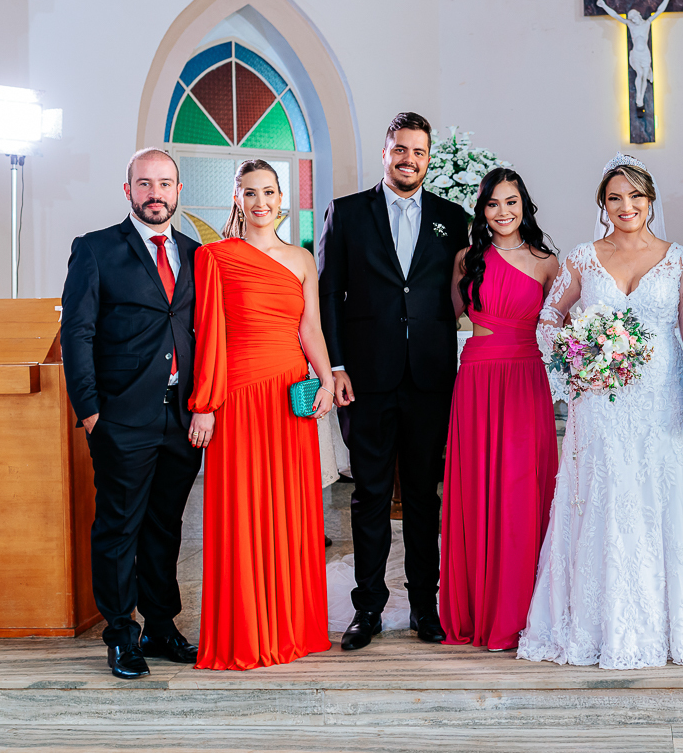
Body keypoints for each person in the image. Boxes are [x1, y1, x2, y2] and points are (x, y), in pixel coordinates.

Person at [517, 154, 683, 669]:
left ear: (650, 200)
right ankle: (597, 621)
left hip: (661, 398)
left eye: (635, 195)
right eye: (615, 197)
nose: (626, 206)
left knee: (662, 496)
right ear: (603, 204)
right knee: (604, 498)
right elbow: (548, 320)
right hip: (601, 402)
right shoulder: (581, 259)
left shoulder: (678, 260)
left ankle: (670, 619)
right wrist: (576, 360)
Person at [319, 112, 470, 650]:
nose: (409, 160)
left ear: (429, 158)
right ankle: (368, 607)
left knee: (426, 499)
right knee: (370, 496)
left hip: (430, 377)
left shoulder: (452, 218)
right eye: (400, 150)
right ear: (385, 153)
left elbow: (461, 294)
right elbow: (326, 295)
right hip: (366, 378)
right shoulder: (349, 212)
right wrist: (335, 366)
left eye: (419, 152)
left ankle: (426, 607)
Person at [60, 148, 203, 679]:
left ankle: (162, 626)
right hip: (121, 416)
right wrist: (91, 410)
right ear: (128, 191)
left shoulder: (195, 253)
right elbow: (77, 332)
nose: (155, 193)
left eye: (165, 184)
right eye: (144, 184)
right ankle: (122, 634)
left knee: (166, 527)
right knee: (120, 526)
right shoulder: (96, 250)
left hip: (182, 417)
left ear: (178, 190)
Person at [187, 160, 333, 670]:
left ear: (281, 197)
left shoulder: (301, 259)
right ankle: (247, 631)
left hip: (290, 393)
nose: (261, 202)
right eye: (250, 193)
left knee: (291, 513)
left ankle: (292, 625)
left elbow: (309, 328)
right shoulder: (214, 257)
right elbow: (209, 337)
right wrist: (204, 405)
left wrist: (328, 377)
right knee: (244, 511)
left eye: (269, 192)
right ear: (237, 199)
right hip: (240, 396)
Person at [440, 168, 559, 651]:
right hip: (476, 380)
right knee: (477, 490)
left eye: (512, 202)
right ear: (482, 210)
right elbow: (457, 319)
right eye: (493, 204)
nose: (503, 212)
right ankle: (478, 608)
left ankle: (520, 609)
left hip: (525, 381)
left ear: (525, 206)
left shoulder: (549, 262)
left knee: (520, 490)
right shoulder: (467, 259)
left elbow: (560, 329)